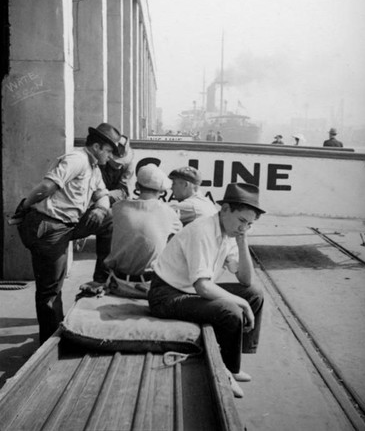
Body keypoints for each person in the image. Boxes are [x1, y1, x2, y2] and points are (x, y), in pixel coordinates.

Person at [148, 183, 265, 398]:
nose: (243, 227)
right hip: (166, 295)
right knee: (231, 310)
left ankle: (233, 364)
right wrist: (242, 304)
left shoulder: (230, 232)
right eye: (241, 221)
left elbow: (246, 280)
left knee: (255, 294)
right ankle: (224, 371)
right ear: (225, 209)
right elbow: (202, 286)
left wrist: (243, 240)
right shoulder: (202, 230)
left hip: (189, 290)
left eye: (249, 224)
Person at [15, 123, 122, 344]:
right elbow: (46, 187)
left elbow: (102, 194)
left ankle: (99, 279)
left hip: (68, 224)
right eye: (109, 151)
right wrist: (25, 205)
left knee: (109, 218)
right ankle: (50, 341)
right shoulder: (77, 159)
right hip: (48, 226)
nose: (110, 157)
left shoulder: (94, 167)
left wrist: (101, 209)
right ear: (95, 146)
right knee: (51, 289)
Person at [104, 164, 182, 288]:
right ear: (162, 191)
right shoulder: (169, 212)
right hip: (149, 285)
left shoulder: (118, 208)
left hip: (118, 282)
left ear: (137, 186)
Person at [98, 134, 134, 205]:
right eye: (116, 161)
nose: (120, 165)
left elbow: (125, 192)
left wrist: (106, 194)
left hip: (118, 203)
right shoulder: (99, 162)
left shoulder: (128, 165)